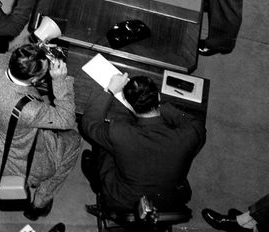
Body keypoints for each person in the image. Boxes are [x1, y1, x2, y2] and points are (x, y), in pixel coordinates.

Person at [0, 45, 81, 221]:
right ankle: (40, 203)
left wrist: (36, 51)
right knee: (74, 140)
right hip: (24, 162)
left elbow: (12, 57)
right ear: (34, 80)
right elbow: (66, 119)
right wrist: (59, 80)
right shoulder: (29, 110)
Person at [79, 72, 206, 214]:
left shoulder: (120, 133)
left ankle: (95, 178)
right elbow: (193, 122)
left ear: (130, 105)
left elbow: (89, 125)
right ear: (158, 97)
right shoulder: (191, 134)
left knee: (104, 148)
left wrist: (109, 91)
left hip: (125, 200)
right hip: (170, 199)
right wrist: (156, 104)